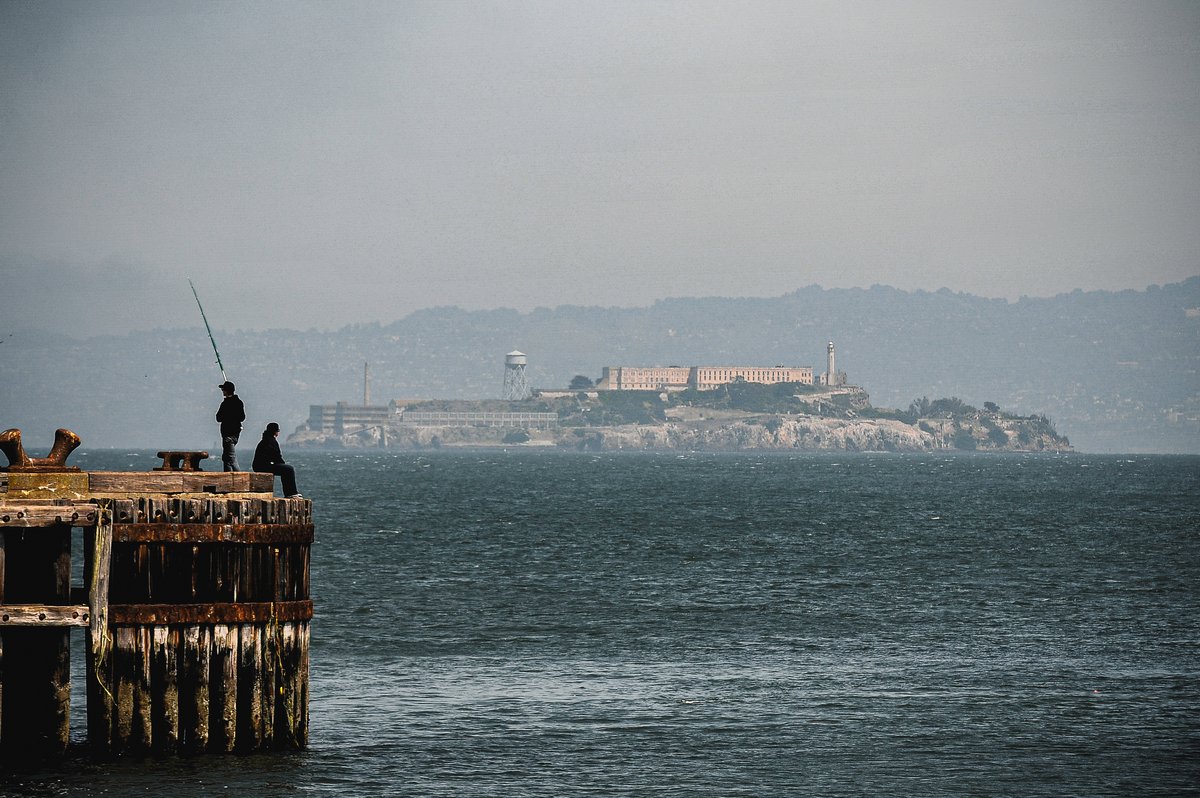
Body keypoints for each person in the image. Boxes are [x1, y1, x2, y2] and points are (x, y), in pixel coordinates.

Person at [253, 422, 301, 498]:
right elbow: (277, 457)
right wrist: (283, 464)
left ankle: (290, 493)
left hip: (258, 466)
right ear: (275, 432)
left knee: (286, 469)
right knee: (289, 470)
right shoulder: (271, 441)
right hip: (263, 467)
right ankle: (291, 493)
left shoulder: (264, 440)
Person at [215, 381, 245, 471]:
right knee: (226, 458)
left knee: (231, 458)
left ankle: (240, 477)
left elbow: (218, 418)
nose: (222, 391)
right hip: (236, 433)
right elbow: (242, 417)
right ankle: (227, 476)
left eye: (223, 390)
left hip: (228, 434)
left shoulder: (225, 404)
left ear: (227, 391)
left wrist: (227, 416)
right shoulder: (239, 403)